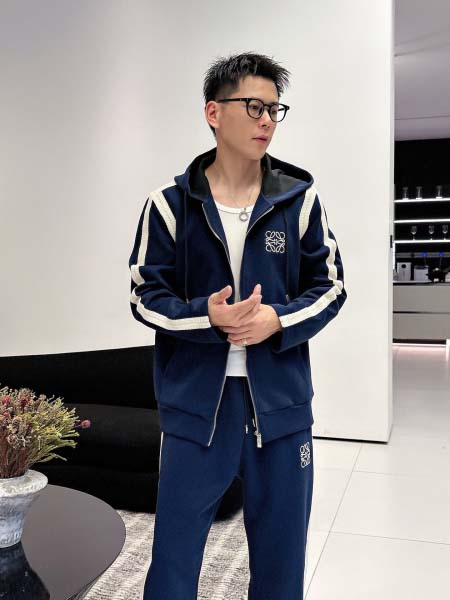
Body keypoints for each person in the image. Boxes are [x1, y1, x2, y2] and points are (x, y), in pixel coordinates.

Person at [129, 51, 347, 600]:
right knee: (175, 556)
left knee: (281, 556)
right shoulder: (169, 204)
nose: (267, 120)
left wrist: (278, 319)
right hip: (197, 408)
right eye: (254, 106)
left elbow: (332, 287)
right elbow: (144, 296)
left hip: (281, 405)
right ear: (213, 112)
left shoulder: (298, 199)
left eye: (275, 109)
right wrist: (208, 317)